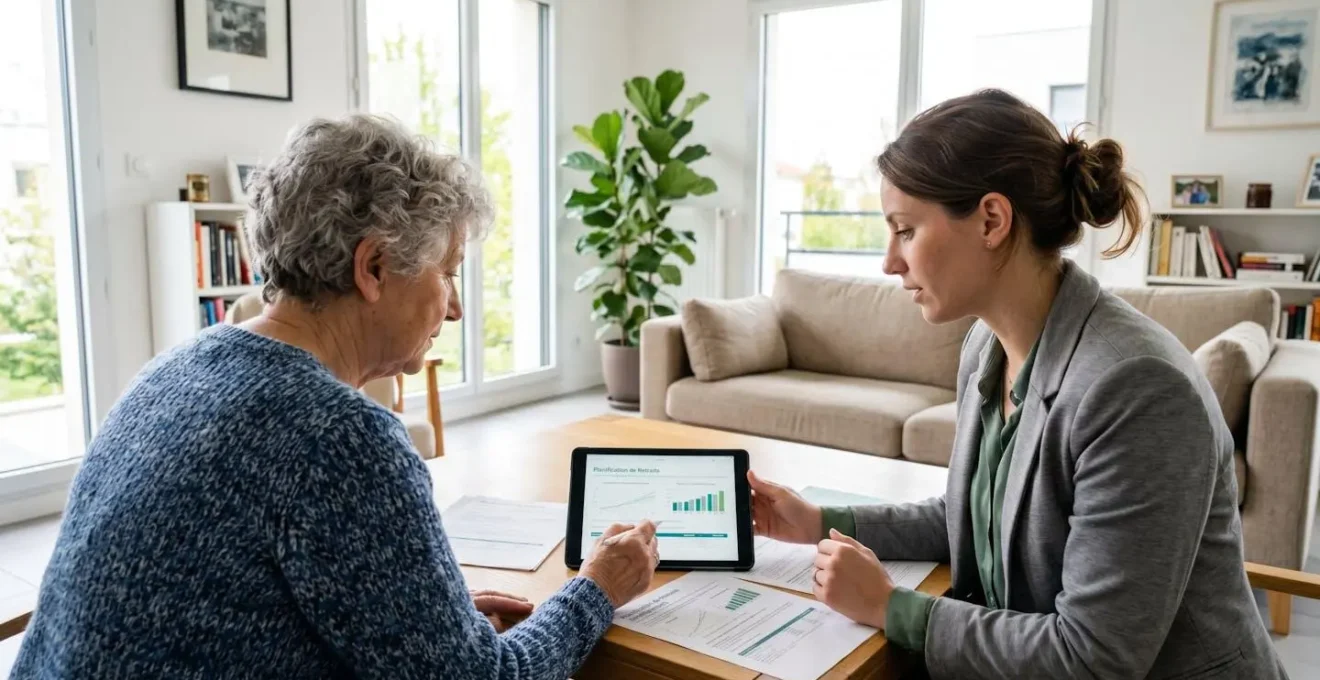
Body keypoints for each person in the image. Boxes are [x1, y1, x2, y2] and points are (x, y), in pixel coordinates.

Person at [12, 114, 660, 679]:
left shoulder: (173, 368)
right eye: (449, 272)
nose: (457, 308)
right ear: (373, 267)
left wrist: (427, 631)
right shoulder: (339, 437)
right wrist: (595, 590)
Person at [748, 89, 1286, 679]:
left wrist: (891, 607)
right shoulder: (987, 345)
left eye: (904, 230)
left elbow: (1092, 659)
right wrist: (820, 520)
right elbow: (973, 517)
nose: (888, 262)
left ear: (992, 220)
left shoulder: (1137, 389)